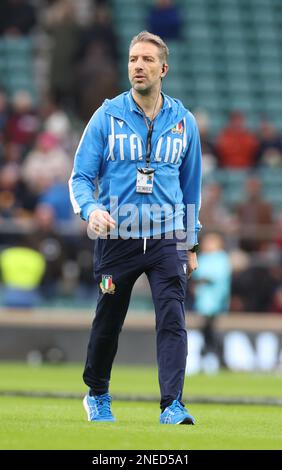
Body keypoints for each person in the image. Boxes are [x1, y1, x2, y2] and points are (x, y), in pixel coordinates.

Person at [69, 31, 202, 425]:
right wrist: (90, 210)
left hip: (169, 236)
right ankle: (96, 393)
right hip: (115, 234)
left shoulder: (184, 122)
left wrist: (191, 243)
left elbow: (191, 184)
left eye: (146, 59)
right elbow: (79, 177)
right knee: (109, 319)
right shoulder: (106, 115)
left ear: (164, 68)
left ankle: (172, 405)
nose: (137, 66)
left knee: (173, 318)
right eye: (132, 59)